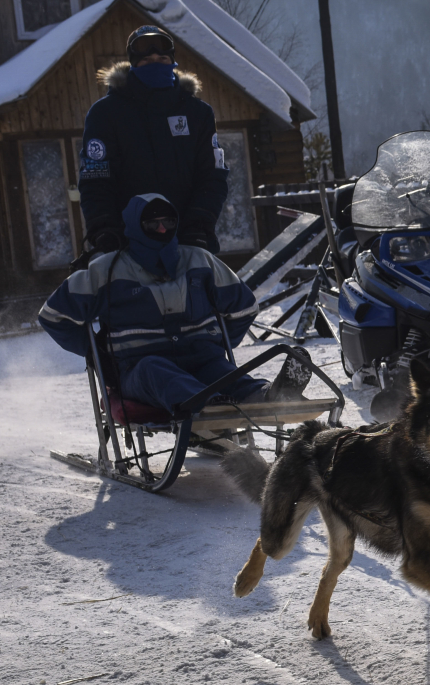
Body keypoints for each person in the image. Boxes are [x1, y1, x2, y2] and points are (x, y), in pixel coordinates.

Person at [39, 193, 266, 412]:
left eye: (168, 222)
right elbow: (53, 315)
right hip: (138, 368)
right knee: (154, 370)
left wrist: (220, 344)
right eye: (152, 224)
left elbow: (245, 307)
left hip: (202, 361)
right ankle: (210, 408)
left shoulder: (199, 260)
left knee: (223, 373)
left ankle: (270, 395)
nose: (161, 229)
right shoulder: (106, 270)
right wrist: (96, 353)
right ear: (135, 226)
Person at [77, 25, 229, 258]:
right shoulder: (106, 114)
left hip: (188, 242)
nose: (156, 64)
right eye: (147, 60)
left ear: (173, 62)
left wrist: (199, 224)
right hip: (126, 245)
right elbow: (96, 178)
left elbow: (212, 175)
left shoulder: (198, 114)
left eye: (162, 58)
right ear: (133, 64)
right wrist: (104, 229)